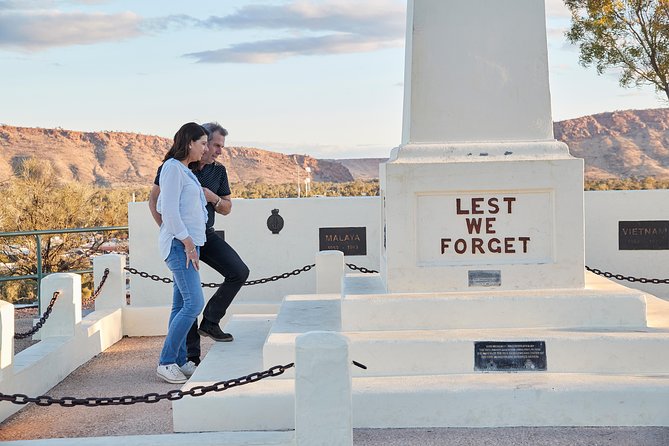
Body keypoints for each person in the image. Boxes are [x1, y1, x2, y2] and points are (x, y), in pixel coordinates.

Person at [149, 122, 249, 369]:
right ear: (198, 143)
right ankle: (189, 358)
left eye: (218, 146)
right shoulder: (177, 167)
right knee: (188, 300)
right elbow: (156, 201)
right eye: (213, 144)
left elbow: (226, 207)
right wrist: (173, 232)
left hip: (206, 236)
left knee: (238, 271)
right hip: (184, 239)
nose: (217, 150)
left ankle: (210, 322)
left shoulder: (218, 172)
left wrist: (211, 197)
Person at [155, 122, 208, 384]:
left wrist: (193, 244)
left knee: (180, 306)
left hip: (189, 245)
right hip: (180, 246)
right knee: (194, 303)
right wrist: (188, 244)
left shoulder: (185, 171)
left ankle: (178, 360)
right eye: (203, 143)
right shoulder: (172, 169)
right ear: (189, 143)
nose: (205, 149)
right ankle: (166, 362)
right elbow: (170, 212)